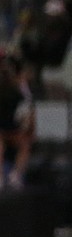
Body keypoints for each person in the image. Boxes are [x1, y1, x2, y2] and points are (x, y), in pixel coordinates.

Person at [0, 54, 34, 191]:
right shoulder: (18, 93)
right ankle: (13, 176)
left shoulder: (19, 93)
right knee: (23, 145)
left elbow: (25, 114)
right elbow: (25, 115)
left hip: (10, 131)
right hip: (7, 131)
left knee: (22, 144)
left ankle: (10, 176)